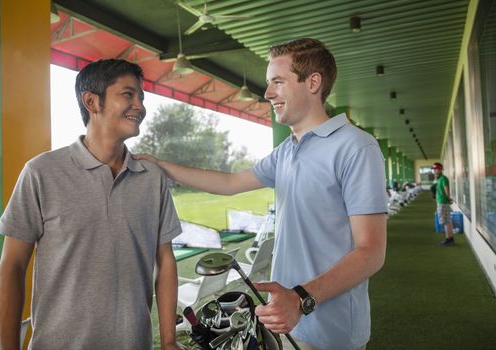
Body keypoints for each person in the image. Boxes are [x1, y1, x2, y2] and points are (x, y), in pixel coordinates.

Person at [134, 38, 387, 350]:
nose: (267, 94)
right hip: (281, 320)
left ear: (313, 82)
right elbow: (230, 183)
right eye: (269, 83)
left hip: (329, 333)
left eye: (278, 82)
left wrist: (301, 297)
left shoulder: (356, 147)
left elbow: (371, 252)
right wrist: (162, 166)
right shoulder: (286, 151)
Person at [0, 59, 182, 350]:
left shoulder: (152, 179)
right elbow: (12, 266)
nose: (140, 106)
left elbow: (166, 261)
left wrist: (169, 340)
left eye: (141, 97)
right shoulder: (41, 173)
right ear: (92, 101)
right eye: (128, 94)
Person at [431, 162, 454, 246]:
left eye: (436, 169)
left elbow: (446, 190)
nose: (434, 171)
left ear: (440, 169)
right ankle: (450, 238)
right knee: (448, 221)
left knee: (445, 222)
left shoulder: (443, 179)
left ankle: (448, 239)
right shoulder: (440, 179)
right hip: (442, 202)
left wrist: (448, 199)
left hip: (442, 203)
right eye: (434, 170)